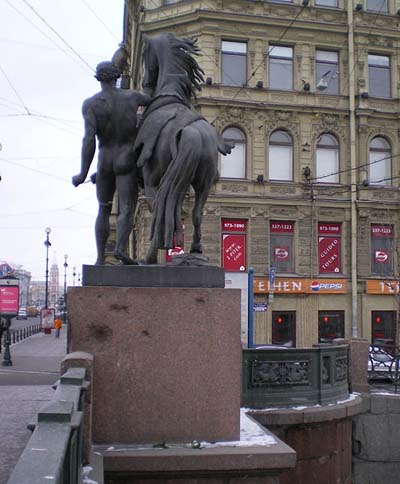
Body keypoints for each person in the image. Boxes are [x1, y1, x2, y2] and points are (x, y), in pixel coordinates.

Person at [72, 61, 151, 265]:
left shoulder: (90, 104)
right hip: (126, 159)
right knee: (126, 207)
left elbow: (88, 140)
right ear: (117, 77)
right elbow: (154, 100)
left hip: (104, 160)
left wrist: (82, 173)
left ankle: (100, 259)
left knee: (103, 209)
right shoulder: (132, 97)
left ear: (99, 78)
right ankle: (120, 249)